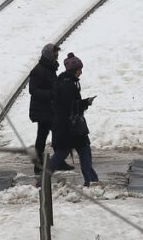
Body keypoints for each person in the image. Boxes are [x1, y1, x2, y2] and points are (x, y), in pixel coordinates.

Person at [50, 52, 99, 186]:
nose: (81, 73)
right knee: (63, 153)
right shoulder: (67, 84)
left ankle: (92, 181)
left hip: (70, 126)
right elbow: (69, 106)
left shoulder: (67, 82)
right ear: (74, 70)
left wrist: (84, 103)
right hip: (69, 127)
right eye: (79, 70)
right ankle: (42, 180)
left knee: (82, 150)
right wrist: (85, 103)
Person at [28, 43, 71, 174]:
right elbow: (33, 90)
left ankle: (52, 162)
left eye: (57, 54)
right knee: (45, 137)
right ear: (49, 55)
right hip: (43, 110)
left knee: (53, 135)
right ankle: (41, 165)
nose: (57, 56)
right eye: (55, 54)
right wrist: (50, 94)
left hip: (50, 109)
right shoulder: (39, 70)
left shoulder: (50, 68)